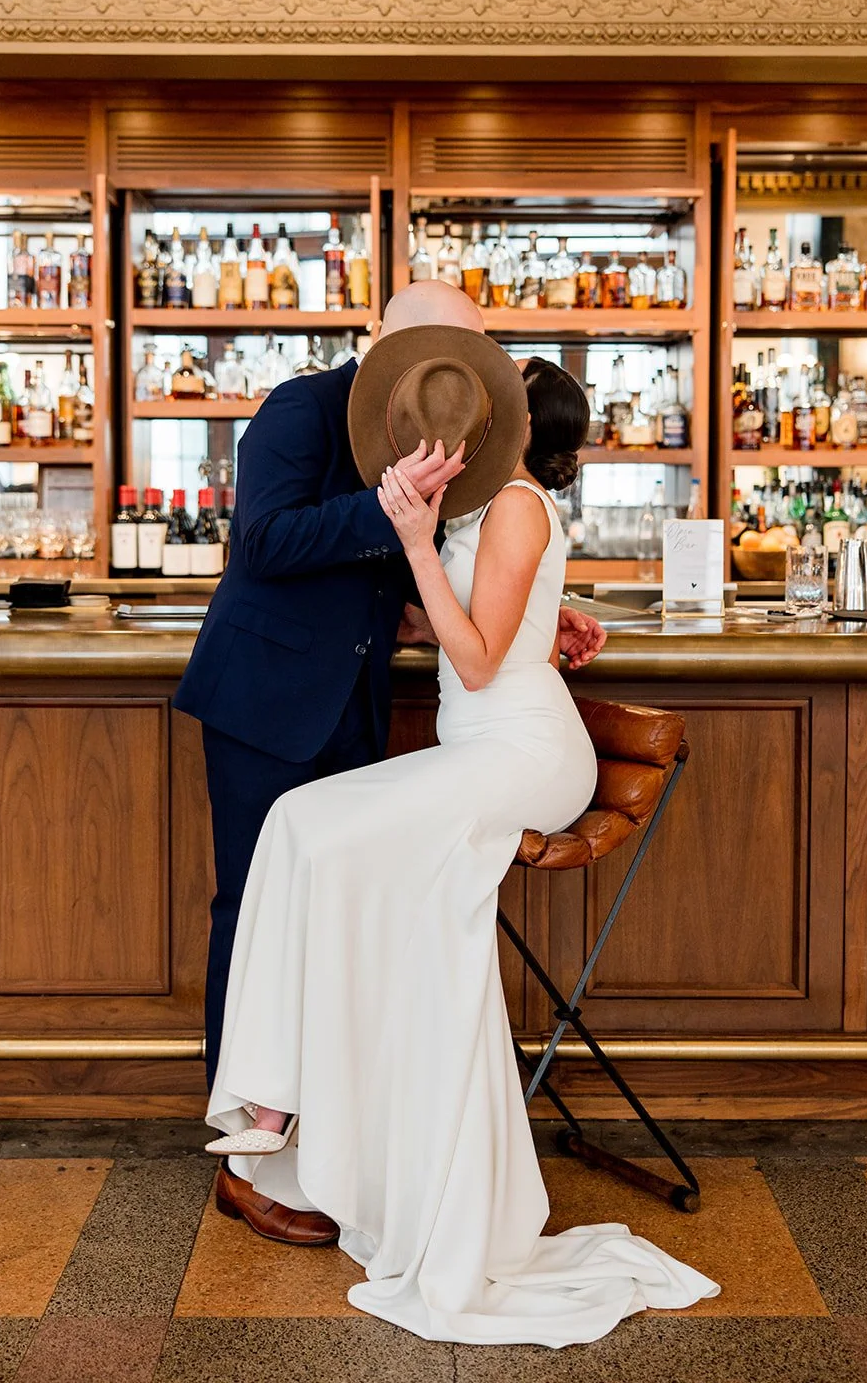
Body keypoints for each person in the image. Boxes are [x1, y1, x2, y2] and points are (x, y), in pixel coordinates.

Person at [205, 345, 719, 1346]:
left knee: (311, 830)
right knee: (304, 830)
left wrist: (412, 538)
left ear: (509, 427)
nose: (467, 426)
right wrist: (505, 599)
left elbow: (477, 659)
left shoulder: (517, 504)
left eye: (485, 409)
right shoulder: (483, 507)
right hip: (482, 743)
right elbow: (462, 623)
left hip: (523, 752)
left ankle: (287, 1110)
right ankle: (290, 1113)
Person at [173, 280, 605, 1248]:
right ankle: (247, 1153)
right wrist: (392, 508)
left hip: (358, 704)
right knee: (253, 904)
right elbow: (265, 541)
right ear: (380, 347)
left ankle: (329, 1141)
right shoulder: (302, 406)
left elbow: (443, 599)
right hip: (265, 698)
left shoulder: (456, 438)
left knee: (336, 905)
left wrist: (535, 614)